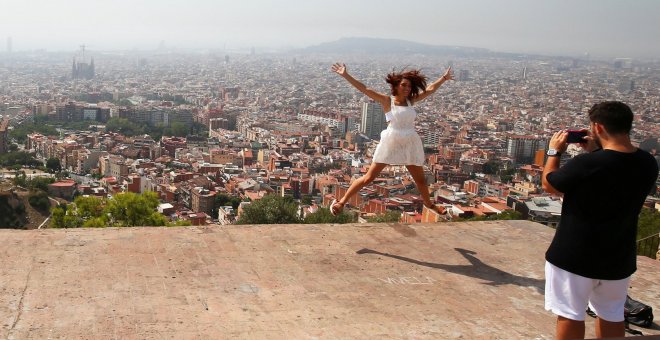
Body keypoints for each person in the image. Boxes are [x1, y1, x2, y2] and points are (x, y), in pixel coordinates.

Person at [541, 101, 658, 339]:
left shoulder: (588, 164)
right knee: (612, 313)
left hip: (574, 255)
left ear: (598, 127)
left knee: (570, 314)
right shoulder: (647, 163)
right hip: (618, 256)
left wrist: (554, 151)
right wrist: (596, 150)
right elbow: (613, 172)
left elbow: (550, 183)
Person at [330, 63, 453, 216]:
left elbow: (429, 90)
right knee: (369, 177)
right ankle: (341, 202)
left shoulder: (410, 101)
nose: (407, 88)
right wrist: (345, 75)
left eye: (409, 86)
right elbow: (364, 89)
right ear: (396, 85)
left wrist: (443, 78)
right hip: (392, 140)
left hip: (410, 142)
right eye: (404, 85)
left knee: (420, 180)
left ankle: (430, 205)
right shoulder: (387, 101)